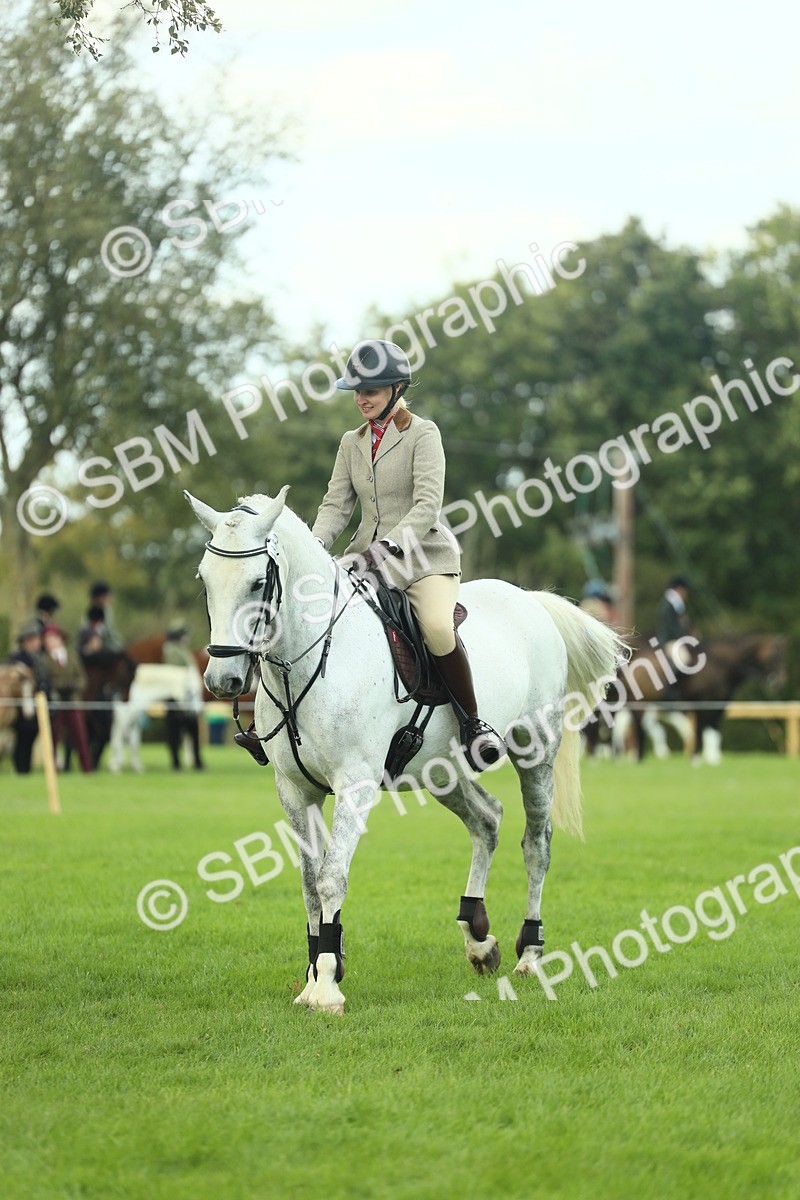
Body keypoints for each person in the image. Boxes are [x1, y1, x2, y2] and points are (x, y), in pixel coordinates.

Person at [234, 338, 505, 771]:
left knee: (436, 626)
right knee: (302, 611)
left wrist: (390, 545)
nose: (362, 399)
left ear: (397, 389)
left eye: (371, 391)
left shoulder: (423, 434)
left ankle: (473, 724)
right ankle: (275, 727)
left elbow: (427, 505)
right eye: (357, 391)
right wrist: (314, 548)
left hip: (422, 561)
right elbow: (335, 505)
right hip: (364, 559)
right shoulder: (351, 442)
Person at [41, 624, 93, 773]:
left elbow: (82, 678)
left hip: (73, 701)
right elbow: (48, 681)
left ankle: (86, 768)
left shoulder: (72, 656)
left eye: (51, 639)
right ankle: (51, 769)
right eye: (46, 639)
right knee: (53, 738)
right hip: (56, 703)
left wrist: (74, 686)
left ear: (60, 639)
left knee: (80, 736)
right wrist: (62, 685)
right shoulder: (45, 660)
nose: (48, 642)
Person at [6, 622, 51, 774]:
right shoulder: (17, 659)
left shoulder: (40, 658)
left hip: (38, 704)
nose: (36, 642)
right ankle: (21, 769)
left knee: (30, 739)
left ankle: (25, 769)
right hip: (21, 708)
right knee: (22, 739)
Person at [161, 620, 204, 770]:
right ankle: (177, 763)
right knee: (176, 732)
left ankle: (194, 761)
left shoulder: (180, 650)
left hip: (187, 694)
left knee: (191, 730)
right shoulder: (172, 650)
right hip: (176, 695)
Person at [656, 575, 694, 671]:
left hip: (675, 639)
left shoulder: (675, 604)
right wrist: (685, 636)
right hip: (669, 640)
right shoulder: (669, 605)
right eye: (685, 591)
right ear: (679, 589)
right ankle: (671, 685)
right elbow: (672, 627)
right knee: (685, 659)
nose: (685, 594)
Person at [88, 581, 125, 653]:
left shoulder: (107, 610)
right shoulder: (91, 613)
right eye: (106, 596)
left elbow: (110, 631)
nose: (109, 598)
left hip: (111, 645)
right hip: (102, 647)